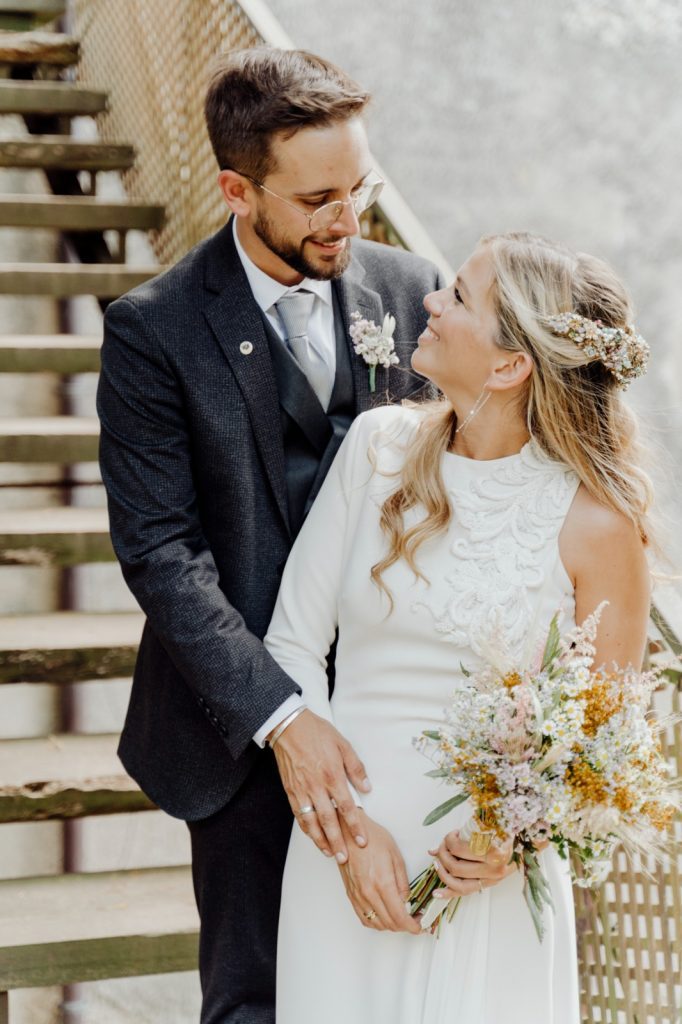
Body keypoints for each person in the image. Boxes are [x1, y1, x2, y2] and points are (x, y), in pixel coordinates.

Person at [96, 47, 443, 1024]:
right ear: (236, 190)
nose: (349, 217)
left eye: (359, 186)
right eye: (319, 198)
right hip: (238, 721)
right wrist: (283, 717)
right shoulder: (152, 332)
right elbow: (162, 554)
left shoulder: (414, 289)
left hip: (389, 708)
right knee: (254, 999)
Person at [265, 231, 653, 1023]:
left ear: (510, 366)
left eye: (461, 296)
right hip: (341, 859)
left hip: (483, 886)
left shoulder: (597, 525)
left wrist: (514, 838)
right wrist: (345, 836)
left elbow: (605, 739)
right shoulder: (377, 449)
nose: (432, 300)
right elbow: (291, 645)